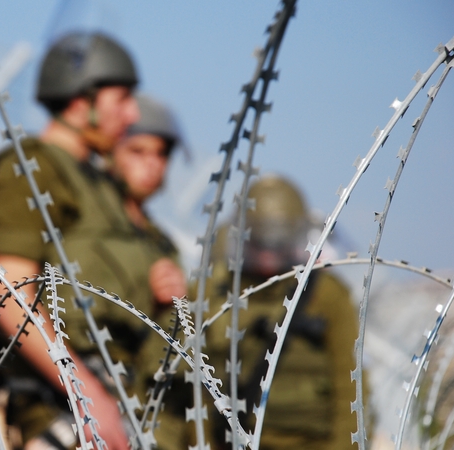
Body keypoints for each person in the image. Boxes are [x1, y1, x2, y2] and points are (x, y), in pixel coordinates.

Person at [0, 31, 156, 449]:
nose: (132, 115)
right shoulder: (33, 167)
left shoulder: (100, 185)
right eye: (121, 100)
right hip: (67, 408)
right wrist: (86, 393)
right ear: (82, 102)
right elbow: (11, 295)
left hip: (125, 396)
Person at [203, 175, 362, 450]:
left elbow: (350, 390)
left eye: (278, 245)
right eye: (259, 243)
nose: (267, 258)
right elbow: (188, 392)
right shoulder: (214, 289)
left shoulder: (328, 296)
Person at [108, 94, 199, 450]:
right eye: (138, 151)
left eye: (161, 154)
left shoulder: (161, 244)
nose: (153, 164)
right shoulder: (82, 224)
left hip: (144, 415)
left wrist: (178, 304)